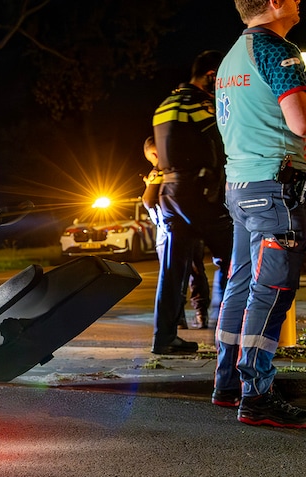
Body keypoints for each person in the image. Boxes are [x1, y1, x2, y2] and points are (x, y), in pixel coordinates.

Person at [213, 0, 306, 427]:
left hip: (241, 186)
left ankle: (228, 383)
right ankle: (258, 395)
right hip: (276, 186)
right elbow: (301, 122)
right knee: (272, 291)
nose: (299, 1)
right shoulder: (276, 49)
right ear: (274, 2)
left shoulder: (232, 56)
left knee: (242, 282)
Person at [151, 51, 234, 354]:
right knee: (234, 257)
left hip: (169, 194)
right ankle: (229, 330)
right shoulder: (199, 104)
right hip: (198, 193)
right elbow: (222, 140)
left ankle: (164, 338)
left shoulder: (164, 104)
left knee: (172, 271)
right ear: (212, 76)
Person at [142, 137, 211, 330]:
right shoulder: (183, 167)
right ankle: (201, 314)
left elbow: (148, 201)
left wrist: (149, 186)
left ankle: (178, 319)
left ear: (153, 154)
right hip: (192, 225)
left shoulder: (157, 171)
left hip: (169, 230)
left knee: (173, 274)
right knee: (197, 271)